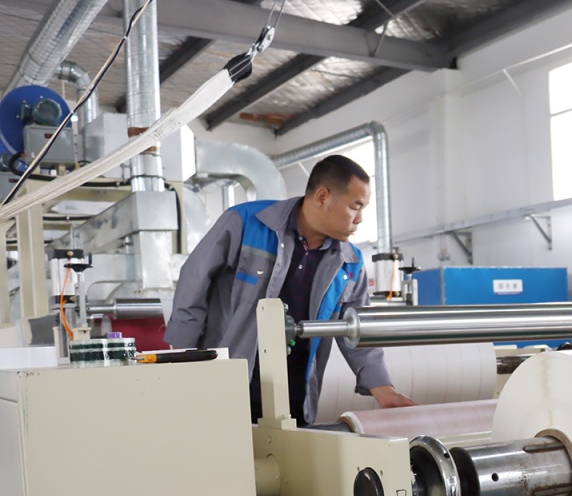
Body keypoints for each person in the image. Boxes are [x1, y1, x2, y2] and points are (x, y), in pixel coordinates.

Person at [164, 154, 415, 425]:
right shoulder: (246, 223)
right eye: (355, 207)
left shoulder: (350, 262)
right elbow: (193, 281)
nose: (360, 219)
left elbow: (357, 331)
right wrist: (185, 360)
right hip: (227, 386)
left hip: (294, 397)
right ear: (322, 197)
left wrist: (385, 392)